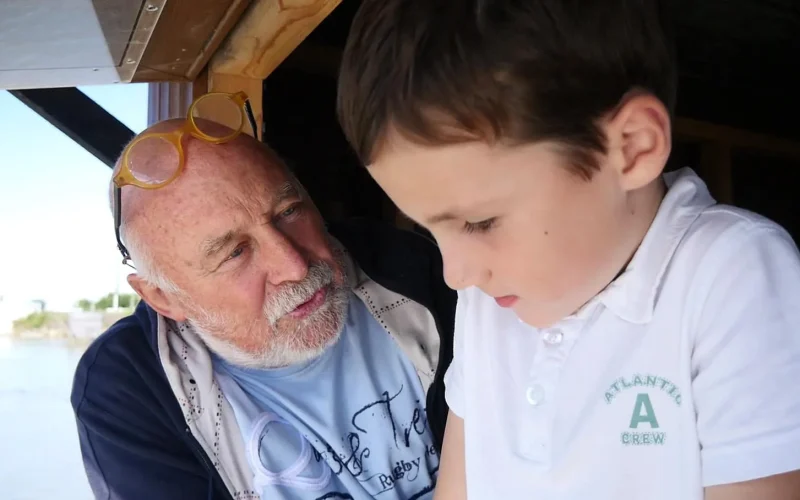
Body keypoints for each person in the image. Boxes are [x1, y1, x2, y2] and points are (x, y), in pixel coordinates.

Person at [335, 0, 800, 499]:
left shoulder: (730, 276)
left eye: (479, 221)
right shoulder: (489, 303)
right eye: (432, 232)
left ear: (632, 147)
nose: (455, 275)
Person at [70, 116, 455, 500]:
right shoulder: (128, 390)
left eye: (289, 211)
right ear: (162, 298)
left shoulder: (406, 265)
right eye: (235, 252)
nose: (295, 266)